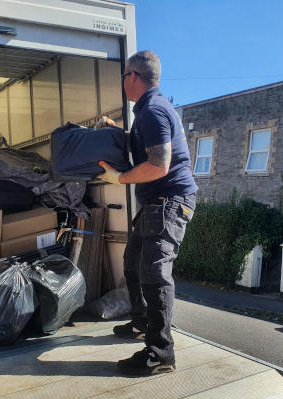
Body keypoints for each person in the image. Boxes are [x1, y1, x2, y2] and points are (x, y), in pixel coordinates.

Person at [97, 51, 198, 376]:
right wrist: (122, 134)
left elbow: (159, 164)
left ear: (134, 77)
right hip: (157, 202)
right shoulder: (150, 111)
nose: (123, 81)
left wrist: (119, 178)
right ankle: (141, 323)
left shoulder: (153, 111)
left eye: (125, 75)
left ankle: (160, 353)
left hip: (169, 201)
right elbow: (148, 145)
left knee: (154, 273)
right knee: (133, 264)